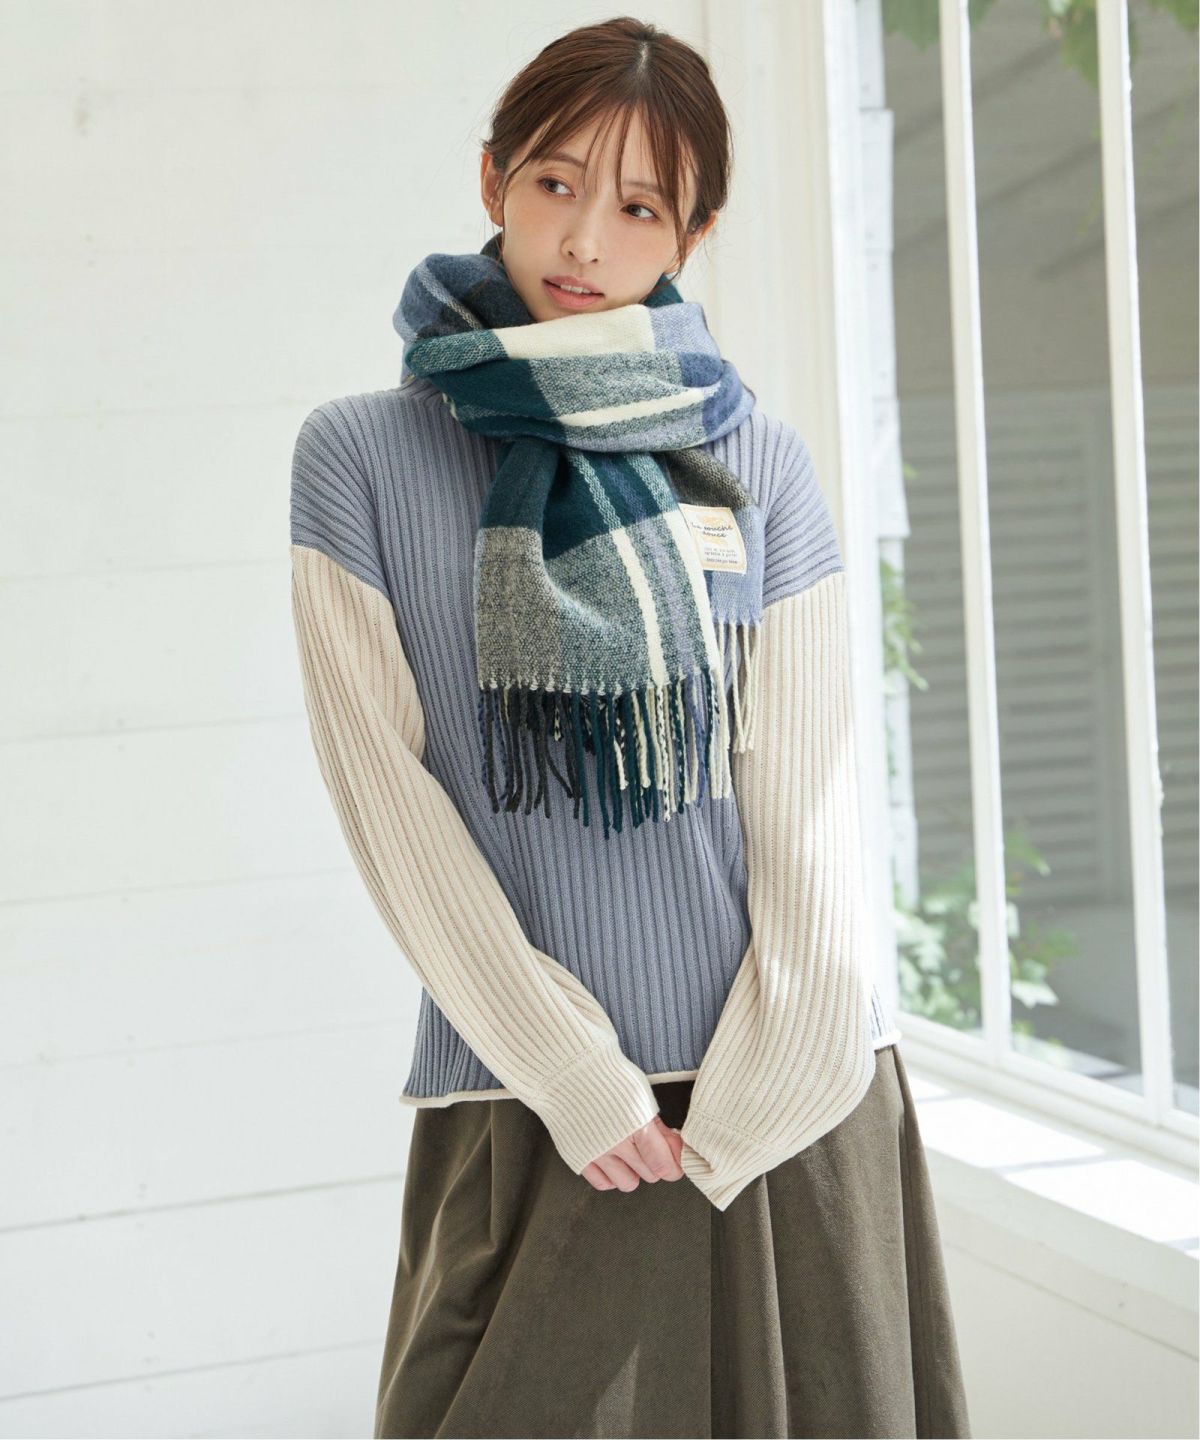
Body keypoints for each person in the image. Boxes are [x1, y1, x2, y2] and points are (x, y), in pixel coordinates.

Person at [289, 16, 972, 1439]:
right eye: (554, 182)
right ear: (493, 178)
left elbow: (809, 794)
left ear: (692, 234)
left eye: (641, 207)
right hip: (542, 1100)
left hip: (785, 1091)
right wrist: (569, 1072)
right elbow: (388, 798)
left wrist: (786, 1066)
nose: (585, 238)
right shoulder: (360, 456)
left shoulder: (754, 458)